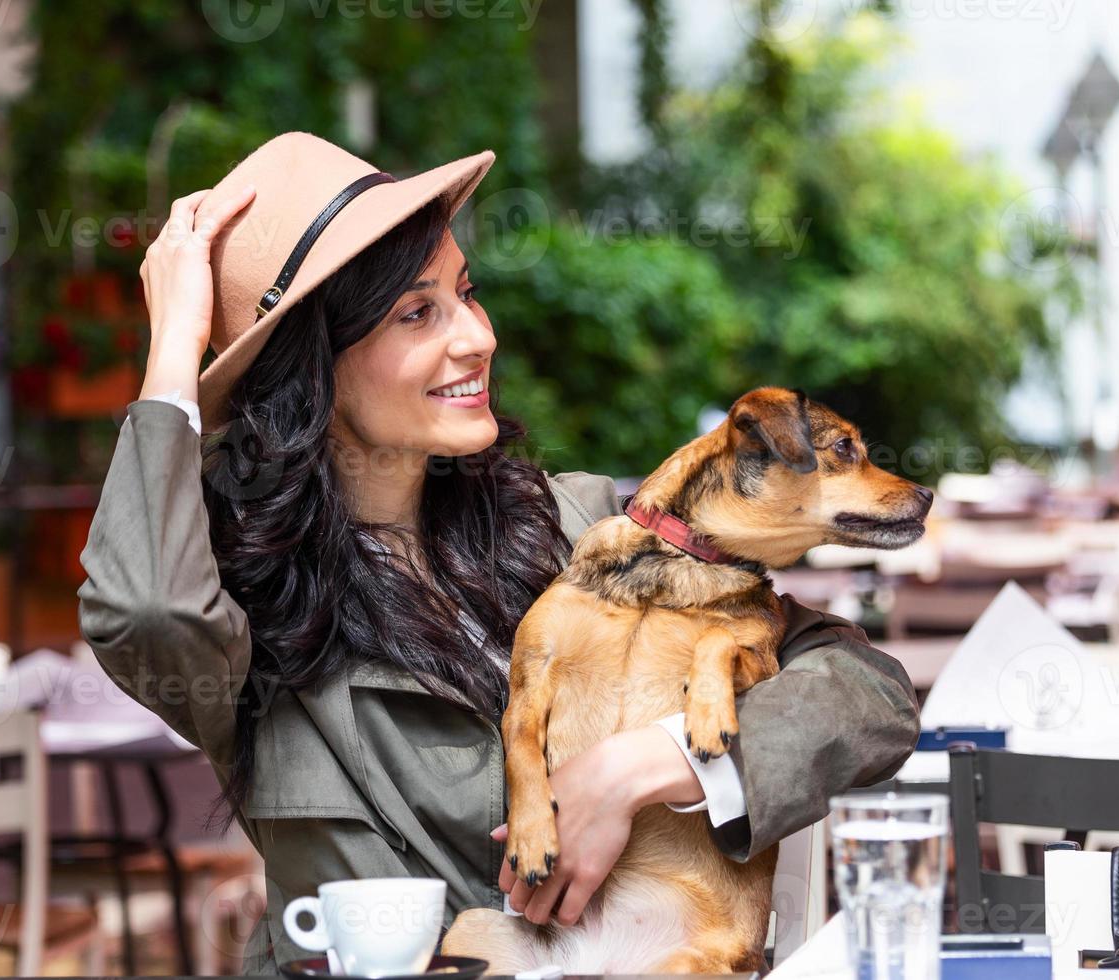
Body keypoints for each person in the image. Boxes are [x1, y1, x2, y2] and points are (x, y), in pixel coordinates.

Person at [77, 132, 920, 974]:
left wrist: (658, 762)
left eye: (466, 294)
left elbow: (869, 694)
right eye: (418, 312)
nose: (477, 337)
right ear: (313, 368)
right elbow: (144, 610)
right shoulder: (248, 612)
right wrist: (174, 357)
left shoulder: (584, 530)